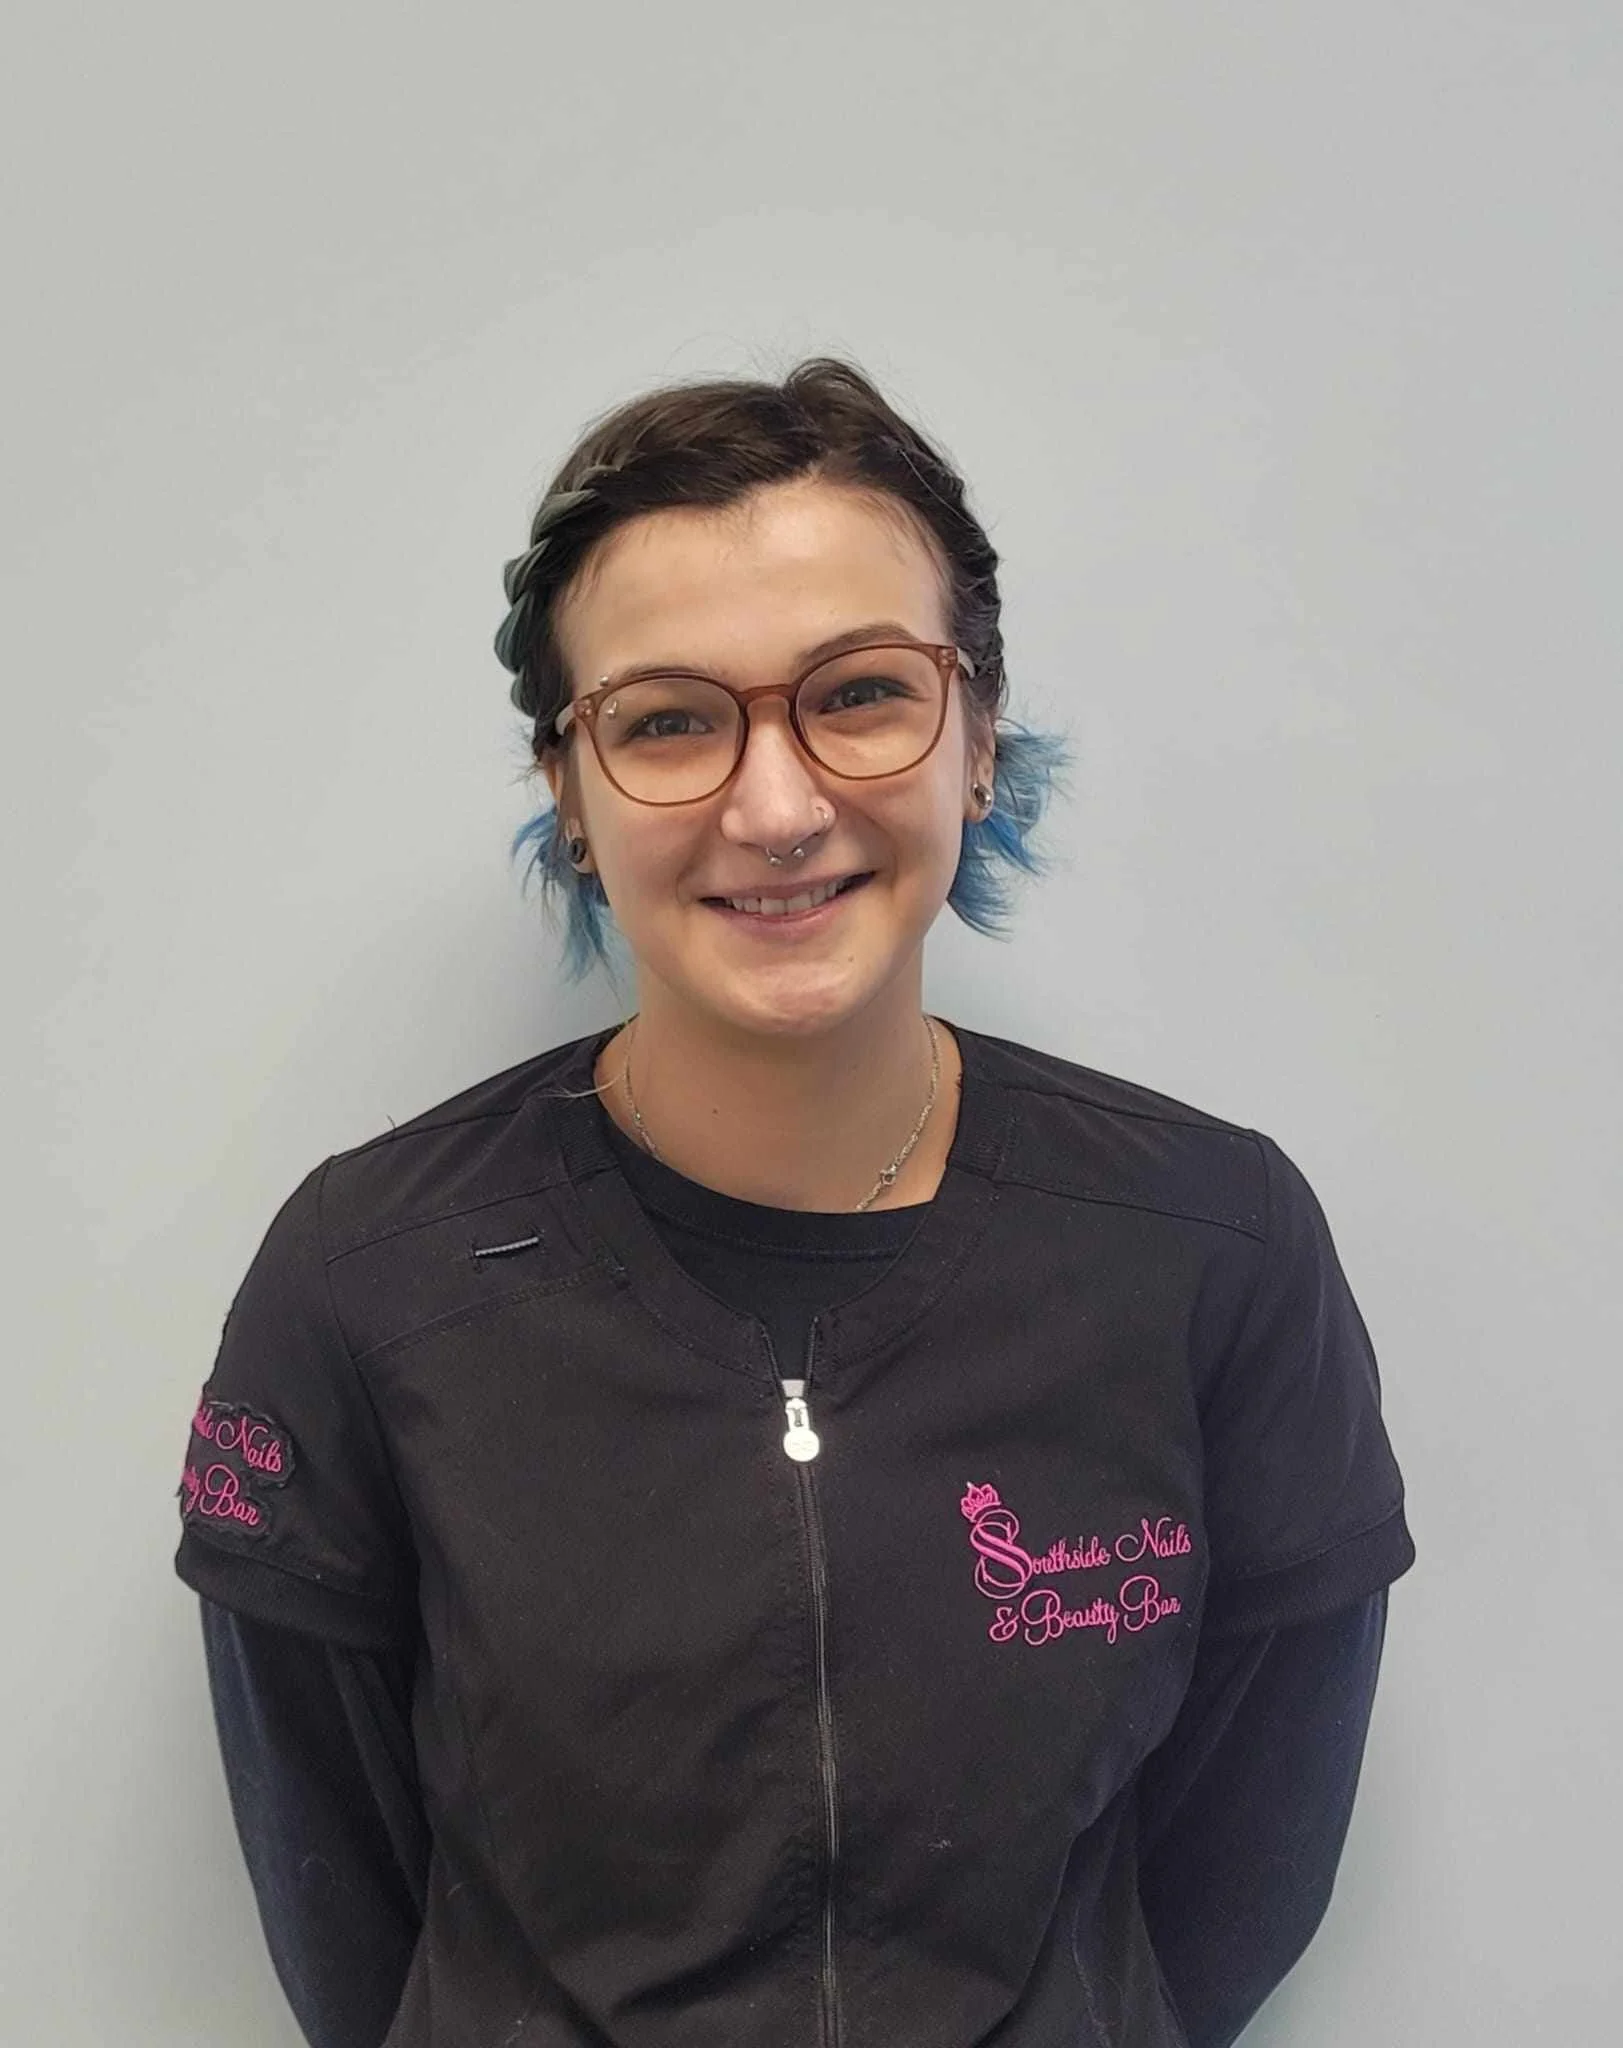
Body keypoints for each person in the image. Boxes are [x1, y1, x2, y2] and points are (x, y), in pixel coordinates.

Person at [174, 357, 1416, 2048]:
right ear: (570, 791)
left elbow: (1239, 1862)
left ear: (974, 736)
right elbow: (339, 1885)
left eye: (858, 694)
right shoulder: (367, 1281)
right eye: (669, 719)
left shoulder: (1211, 1245)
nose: (775, 806)